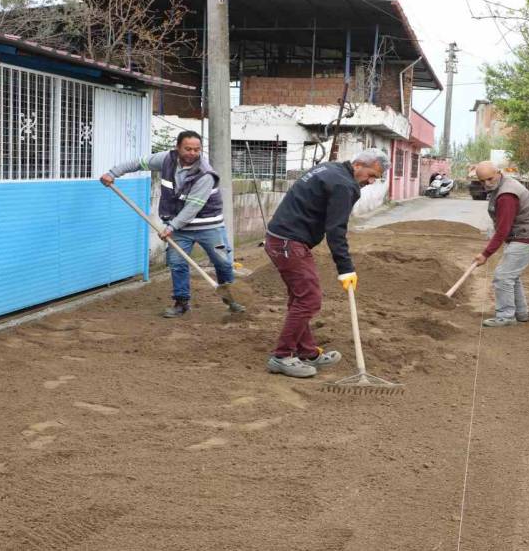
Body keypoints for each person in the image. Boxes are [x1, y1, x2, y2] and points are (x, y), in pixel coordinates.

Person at [263, 148, 389, 378]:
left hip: (282, 238)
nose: (371, 182)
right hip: (288, 242)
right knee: (309, 299)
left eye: (376, 179)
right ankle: (281, 356)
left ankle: (307, 352)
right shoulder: (344, 185)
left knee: (300, 297)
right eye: (371, 175)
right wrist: (346, 269)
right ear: (359, 164)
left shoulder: (332, 169)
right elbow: (336, 231)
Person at [100, 131, 245, 318]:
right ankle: (181, 303)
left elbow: (193, 207)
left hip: (208, 226)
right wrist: (113, 173)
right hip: (179, 227)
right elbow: (138, 162)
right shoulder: (166, 159)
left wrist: (171, 227)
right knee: (177, 264)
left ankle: (233, 300)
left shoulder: (205, 174)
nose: (193, 153)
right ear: (178, 147)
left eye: (197, 149)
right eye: (188, 149)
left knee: (222, 262)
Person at [472, 160, 529, 327]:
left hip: (528, 236)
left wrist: (486, 254)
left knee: (503, 276)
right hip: (526, 235)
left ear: (498, 173)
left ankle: (505, 317)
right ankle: (521, 313)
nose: (486, 184)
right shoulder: (502, 185)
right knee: (511, 275)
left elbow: (503, 229)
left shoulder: (507, 195)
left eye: (490, 179)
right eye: (482, 181)